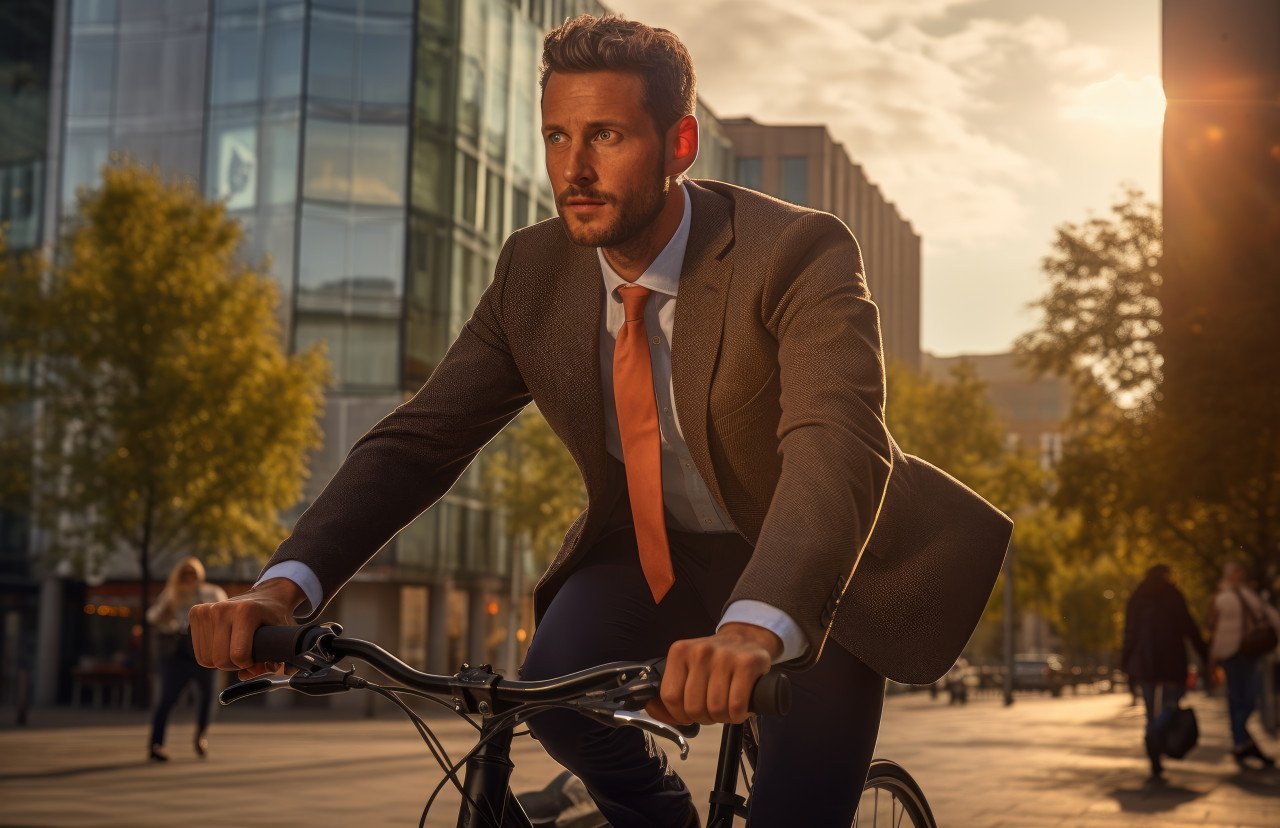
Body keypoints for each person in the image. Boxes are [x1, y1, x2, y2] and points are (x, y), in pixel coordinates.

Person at [191, 15, 1008, 825]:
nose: (572, 169)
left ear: (680, 144)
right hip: (653, 559)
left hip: (811, 569)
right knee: (550, 693)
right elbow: (419, 440)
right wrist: (282, 589)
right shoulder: (532, 270)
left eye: (606, 136)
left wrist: (756, 629)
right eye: (556, 137)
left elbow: (836, 441)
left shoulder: (797, 252)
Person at [1121, 564, 1209, 782]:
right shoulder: (1173, 595)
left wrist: (1126, 663)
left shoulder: (1137, 597)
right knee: (1170, 705)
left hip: (1146, 661)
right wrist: (1204, 653)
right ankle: (1155, 736)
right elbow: (1189, 625)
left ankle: (1153, 745)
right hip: (1172, 661)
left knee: (1151, 710)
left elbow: (1130, 632)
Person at [146, 556, 226, 762]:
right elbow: (152, 616)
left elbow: (225, 614)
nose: (190, 578)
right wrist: (165, 611)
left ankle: (201, 735)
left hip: (203, 651)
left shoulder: (212, 592)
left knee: (208, 696)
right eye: (185, 574)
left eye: (193, 573)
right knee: (167, 698)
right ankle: (157, 744)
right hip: (176, 652)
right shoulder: (171, 594)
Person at [1207, 561, 1280, 770]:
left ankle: (1240, 740)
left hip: (1240, 653)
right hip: (1242, 654)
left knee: (1240, 699)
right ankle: (1241, 740)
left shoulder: (1229, 598)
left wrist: (1214, 657)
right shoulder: (1235, 597)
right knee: (1244, 699)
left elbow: (1216, 631)